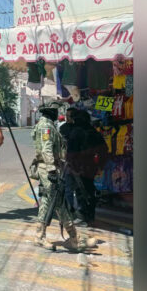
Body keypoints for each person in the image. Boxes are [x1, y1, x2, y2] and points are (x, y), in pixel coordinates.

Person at [32, 105, 96, 251]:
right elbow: (46, 149)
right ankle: (39, 236)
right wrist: (51, 170)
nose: (58, 114)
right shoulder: (45, 127)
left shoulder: (49, 125)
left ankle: (73, 238)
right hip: (48, 169)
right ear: (50, 111)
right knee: (49, 201)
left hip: (55, 167)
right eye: (56, 111)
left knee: (60, 202)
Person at [66, 109, 108, 225]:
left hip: (78, 167)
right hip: (91, 167)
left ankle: (83, 217)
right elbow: (104, 150)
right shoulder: (93, 132)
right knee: (89, 190)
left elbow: (71, 152)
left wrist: (72, 166)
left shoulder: (76, 132)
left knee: (80, 191)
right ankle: (90, 216)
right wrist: (100, 165)